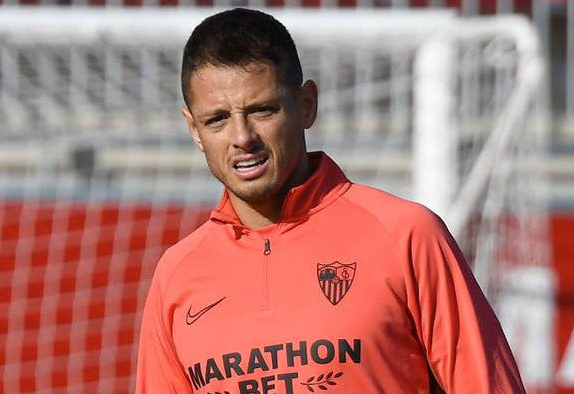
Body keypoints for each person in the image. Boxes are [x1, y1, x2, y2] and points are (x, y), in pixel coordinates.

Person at [135, 8, 525, 394]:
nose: (242, 136)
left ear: (306, 104)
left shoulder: (406, 234)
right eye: (217, 119)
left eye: (262, 110)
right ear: (194, 129)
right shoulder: (176, 275)